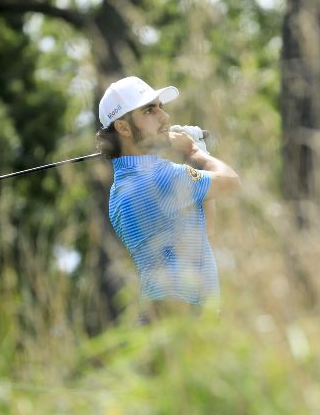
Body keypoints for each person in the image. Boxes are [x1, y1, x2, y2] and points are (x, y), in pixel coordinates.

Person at [95, 76, 240, 323]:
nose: (164, 117)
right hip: (182, 315)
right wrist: (193, 152)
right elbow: (231, 181)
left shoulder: (119, 190)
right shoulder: (160, 178)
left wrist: (198, 154)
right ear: (124, 128)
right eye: (149, 110)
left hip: (166, 316)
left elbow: (206, 232)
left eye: (160, 107)